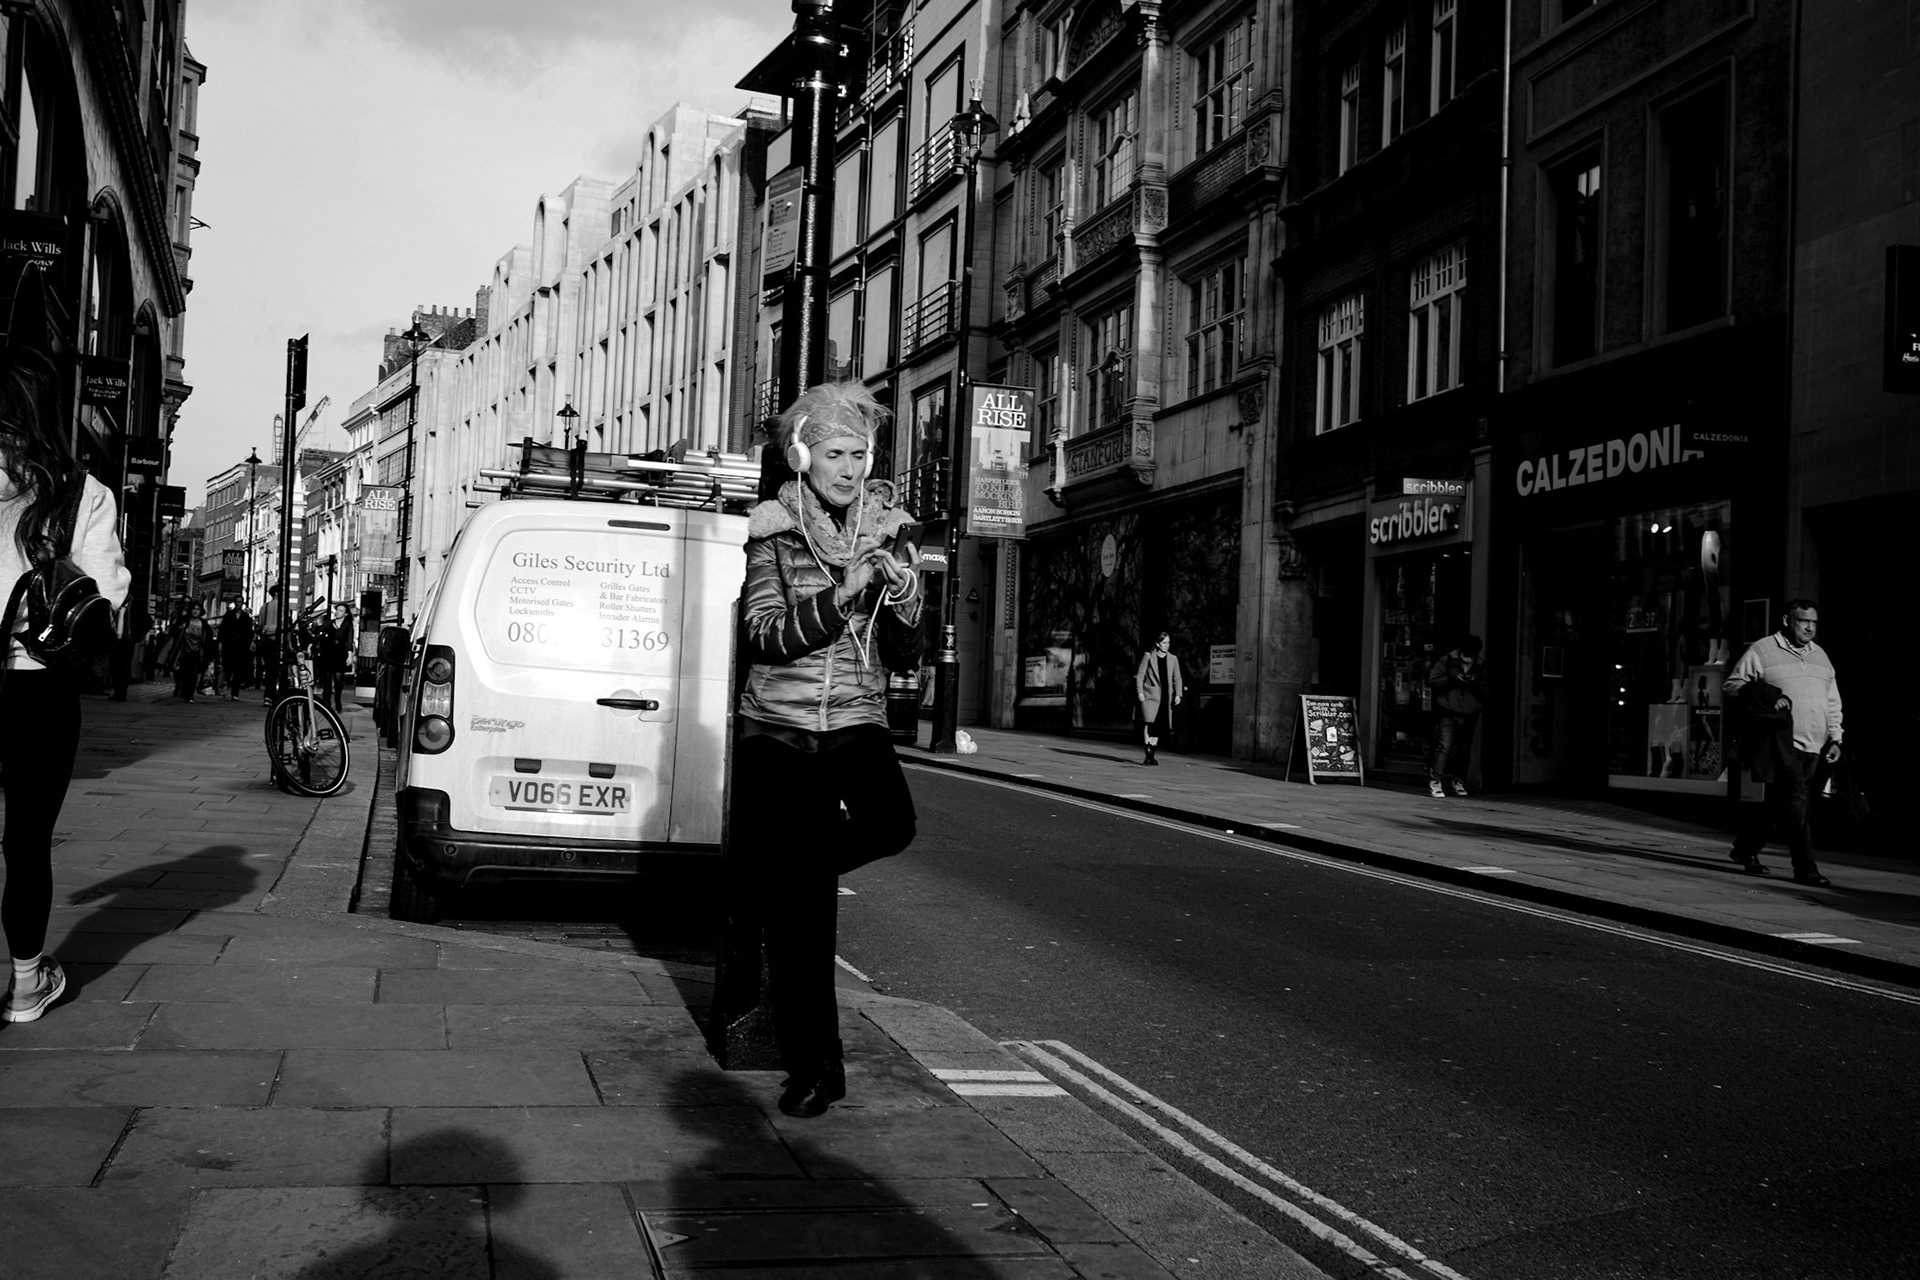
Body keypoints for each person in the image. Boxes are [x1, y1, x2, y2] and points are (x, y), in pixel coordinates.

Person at [732, 381, 923, 1119]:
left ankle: (795, 869)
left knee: (891, 823)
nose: (849, 467)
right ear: (804, 455)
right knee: (807, 920)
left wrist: (903, 594)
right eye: (835, 453)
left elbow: (903, 651)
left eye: (859, 454)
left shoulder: (891, 528)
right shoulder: (773, 534)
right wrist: (843, 594)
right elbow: (767, 636)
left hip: (854, 716)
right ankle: (818, 1069)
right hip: (778, 726)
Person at [1, 351, 131, 1023]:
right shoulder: (84, 494)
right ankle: (26, 984)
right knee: (24, 842)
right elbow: (104, 600)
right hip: (37, 688)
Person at [1723, 599, 1843, 887]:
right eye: (1803, 621)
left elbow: (1832, 700)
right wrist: (1769, 697)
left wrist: (1836, 737)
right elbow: (1733, 685)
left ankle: (1745, 849)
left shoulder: (1820, 656)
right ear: (1787, 621)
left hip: (1815, 746)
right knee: (1796, 806)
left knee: (1779, 805)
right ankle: (1806, 869)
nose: (1809, 628)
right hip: (1781, 743)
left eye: (1813, 622)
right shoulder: (1763, 649)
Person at [1427, 635, 1487, 797]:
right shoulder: (1447, 661)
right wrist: (1452, 680)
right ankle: (1436, 780)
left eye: (1471, 655)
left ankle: (1458, 780)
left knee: (1464, 749)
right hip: (1448, 710)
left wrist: (1474, 683)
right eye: (1466, 654)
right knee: (1444, 746)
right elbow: (1433, 681)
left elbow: (1487, 689)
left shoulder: (1480, 666)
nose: (1468, 658)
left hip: (1469, 712)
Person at [1134, 631, 1183, 766]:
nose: (1166, 645)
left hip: (1166, 697)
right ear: (1157, 643)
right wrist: (1140, 693)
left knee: (1159, 726)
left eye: (1168, 643)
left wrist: (1178, 694)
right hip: (1150, 696)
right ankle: (1148, 753)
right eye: (1164, 643)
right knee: (1149, 724)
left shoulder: (1173, 659)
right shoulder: (1149, 657)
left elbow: (1177, 678)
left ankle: (1152, 754)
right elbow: (1140, 675)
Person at [171, 602, 209, 701]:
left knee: (193, 673)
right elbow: (174, 633)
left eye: (198, 609)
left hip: (197, 652)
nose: (195, 611)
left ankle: (190, 694)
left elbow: (207, 638)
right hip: (185, 651)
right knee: (185, 672)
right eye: (194, 609)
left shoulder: (203, 623)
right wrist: (180, 628)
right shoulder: (185, 621)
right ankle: (184, 690)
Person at [218, 602, 253, 700]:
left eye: (240, 602)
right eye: (237, 601)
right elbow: (223, 629)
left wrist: (249, 644)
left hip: (241, 647)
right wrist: (221, 643)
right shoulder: (229, 615)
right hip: (229, 646)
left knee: (238, 670)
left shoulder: (245, 616)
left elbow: (249, 631)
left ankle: (235, 692)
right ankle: (228, 683)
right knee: (228, 668)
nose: (238, 604)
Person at [256, 583, 284, 702]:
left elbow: (260, 625)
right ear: (277, 593)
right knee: (279, 670)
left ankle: (268, 695)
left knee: (269, 670)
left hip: (267, 641)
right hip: (279, 641)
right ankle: (278, 695)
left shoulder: (265, 607)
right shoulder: (283, 607)